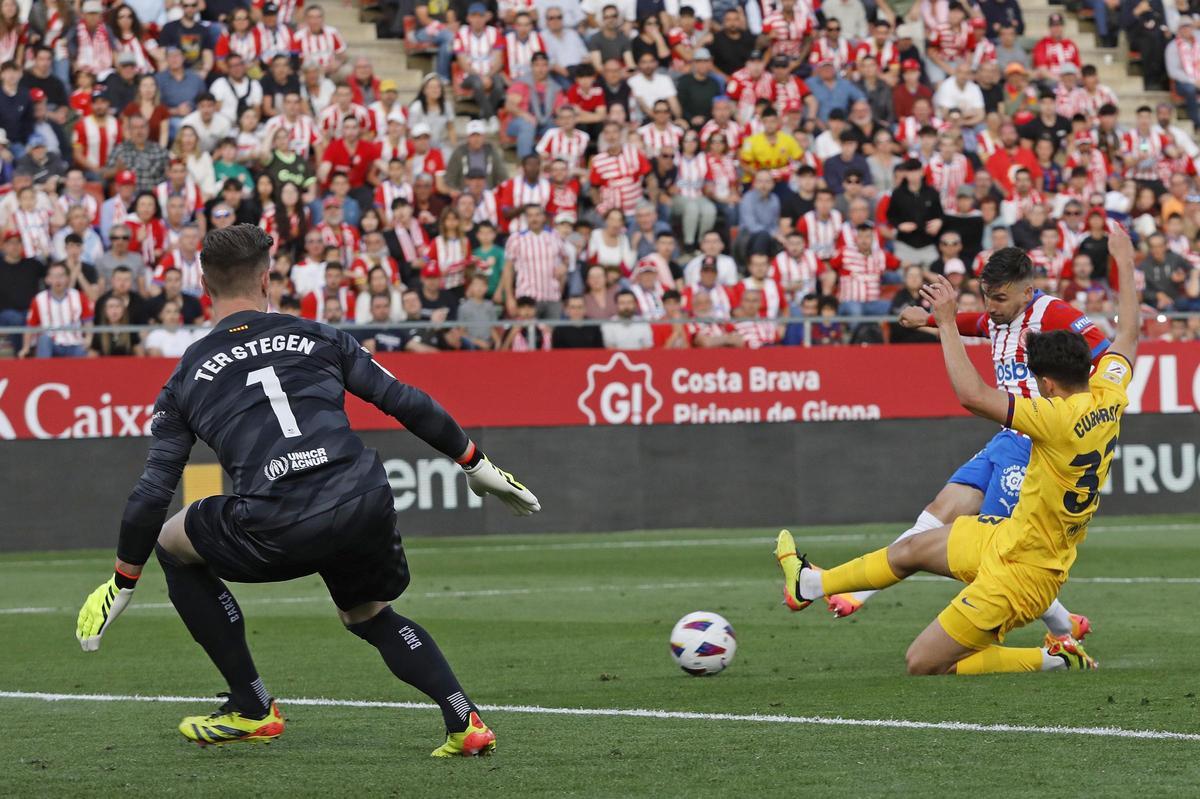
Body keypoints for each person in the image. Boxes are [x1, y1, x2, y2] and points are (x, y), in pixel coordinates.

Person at [74, 224, 540, 755]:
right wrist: (474, 463)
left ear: (204, 286)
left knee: (172, 542)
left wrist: (123, 581)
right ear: (266, 279)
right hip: (360, 497)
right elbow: (404, 400)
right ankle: (464, 721)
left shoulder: (186, 377)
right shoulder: (320, 335)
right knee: (367, 613)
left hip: (279, 520)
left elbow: (154, 489)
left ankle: (252, 708)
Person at [776, 229, 1140, 676]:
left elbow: (974, 396)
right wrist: (1124, 261)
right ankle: (811, 584)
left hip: (1024, 558)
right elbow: (1129, 334)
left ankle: (1055, 650)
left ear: (1046, 384)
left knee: (923, 662)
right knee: (915, 545)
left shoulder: (1050, 417)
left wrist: (945, 324)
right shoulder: (1110, 392)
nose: (992, 307)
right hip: (1009, 526)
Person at [826, 245, 1116, 632]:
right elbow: (974, 323)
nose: (991, 307)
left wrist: (1081, 415)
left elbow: (1105, 354)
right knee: (937, 511)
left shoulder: (1055, 314)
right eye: (987, 296)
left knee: (995, 553)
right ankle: (858, 591)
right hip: (1005, 439)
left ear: (1027, 292)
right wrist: (928, 319)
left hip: (1035, 444)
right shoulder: (996, 316)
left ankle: (1062, 629)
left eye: (1000, 297)